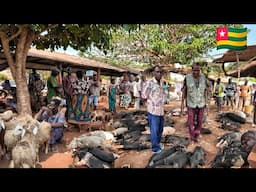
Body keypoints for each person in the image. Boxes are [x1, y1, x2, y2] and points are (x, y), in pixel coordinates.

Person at [181, 62, 208, 143]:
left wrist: (207, 103)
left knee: (200, 120)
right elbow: (184, 91)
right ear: (192, 70)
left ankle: (197, 134)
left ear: (200, 70)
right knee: (190, 121)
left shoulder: (204, 78)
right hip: (190, 103)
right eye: (194, 70)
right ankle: (192, 136)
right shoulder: (187, 78)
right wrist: (182, 103)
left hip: (201, 103)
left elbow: (205, 91)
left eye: (198, 70)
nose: (196, 72)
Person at [142, 65, 166, 154]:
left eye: (160, 72)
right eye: (157, 72)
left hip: (161, 110)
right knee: (154, 130)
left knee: (160, 129)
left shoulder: (162, 82)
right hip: (153, 111)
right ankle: (155, 148)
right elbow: (144, 95)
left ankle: (158, 144)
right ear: (153, 73)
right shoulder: (150, 83)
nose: (159, 74)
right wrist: (150, 103)